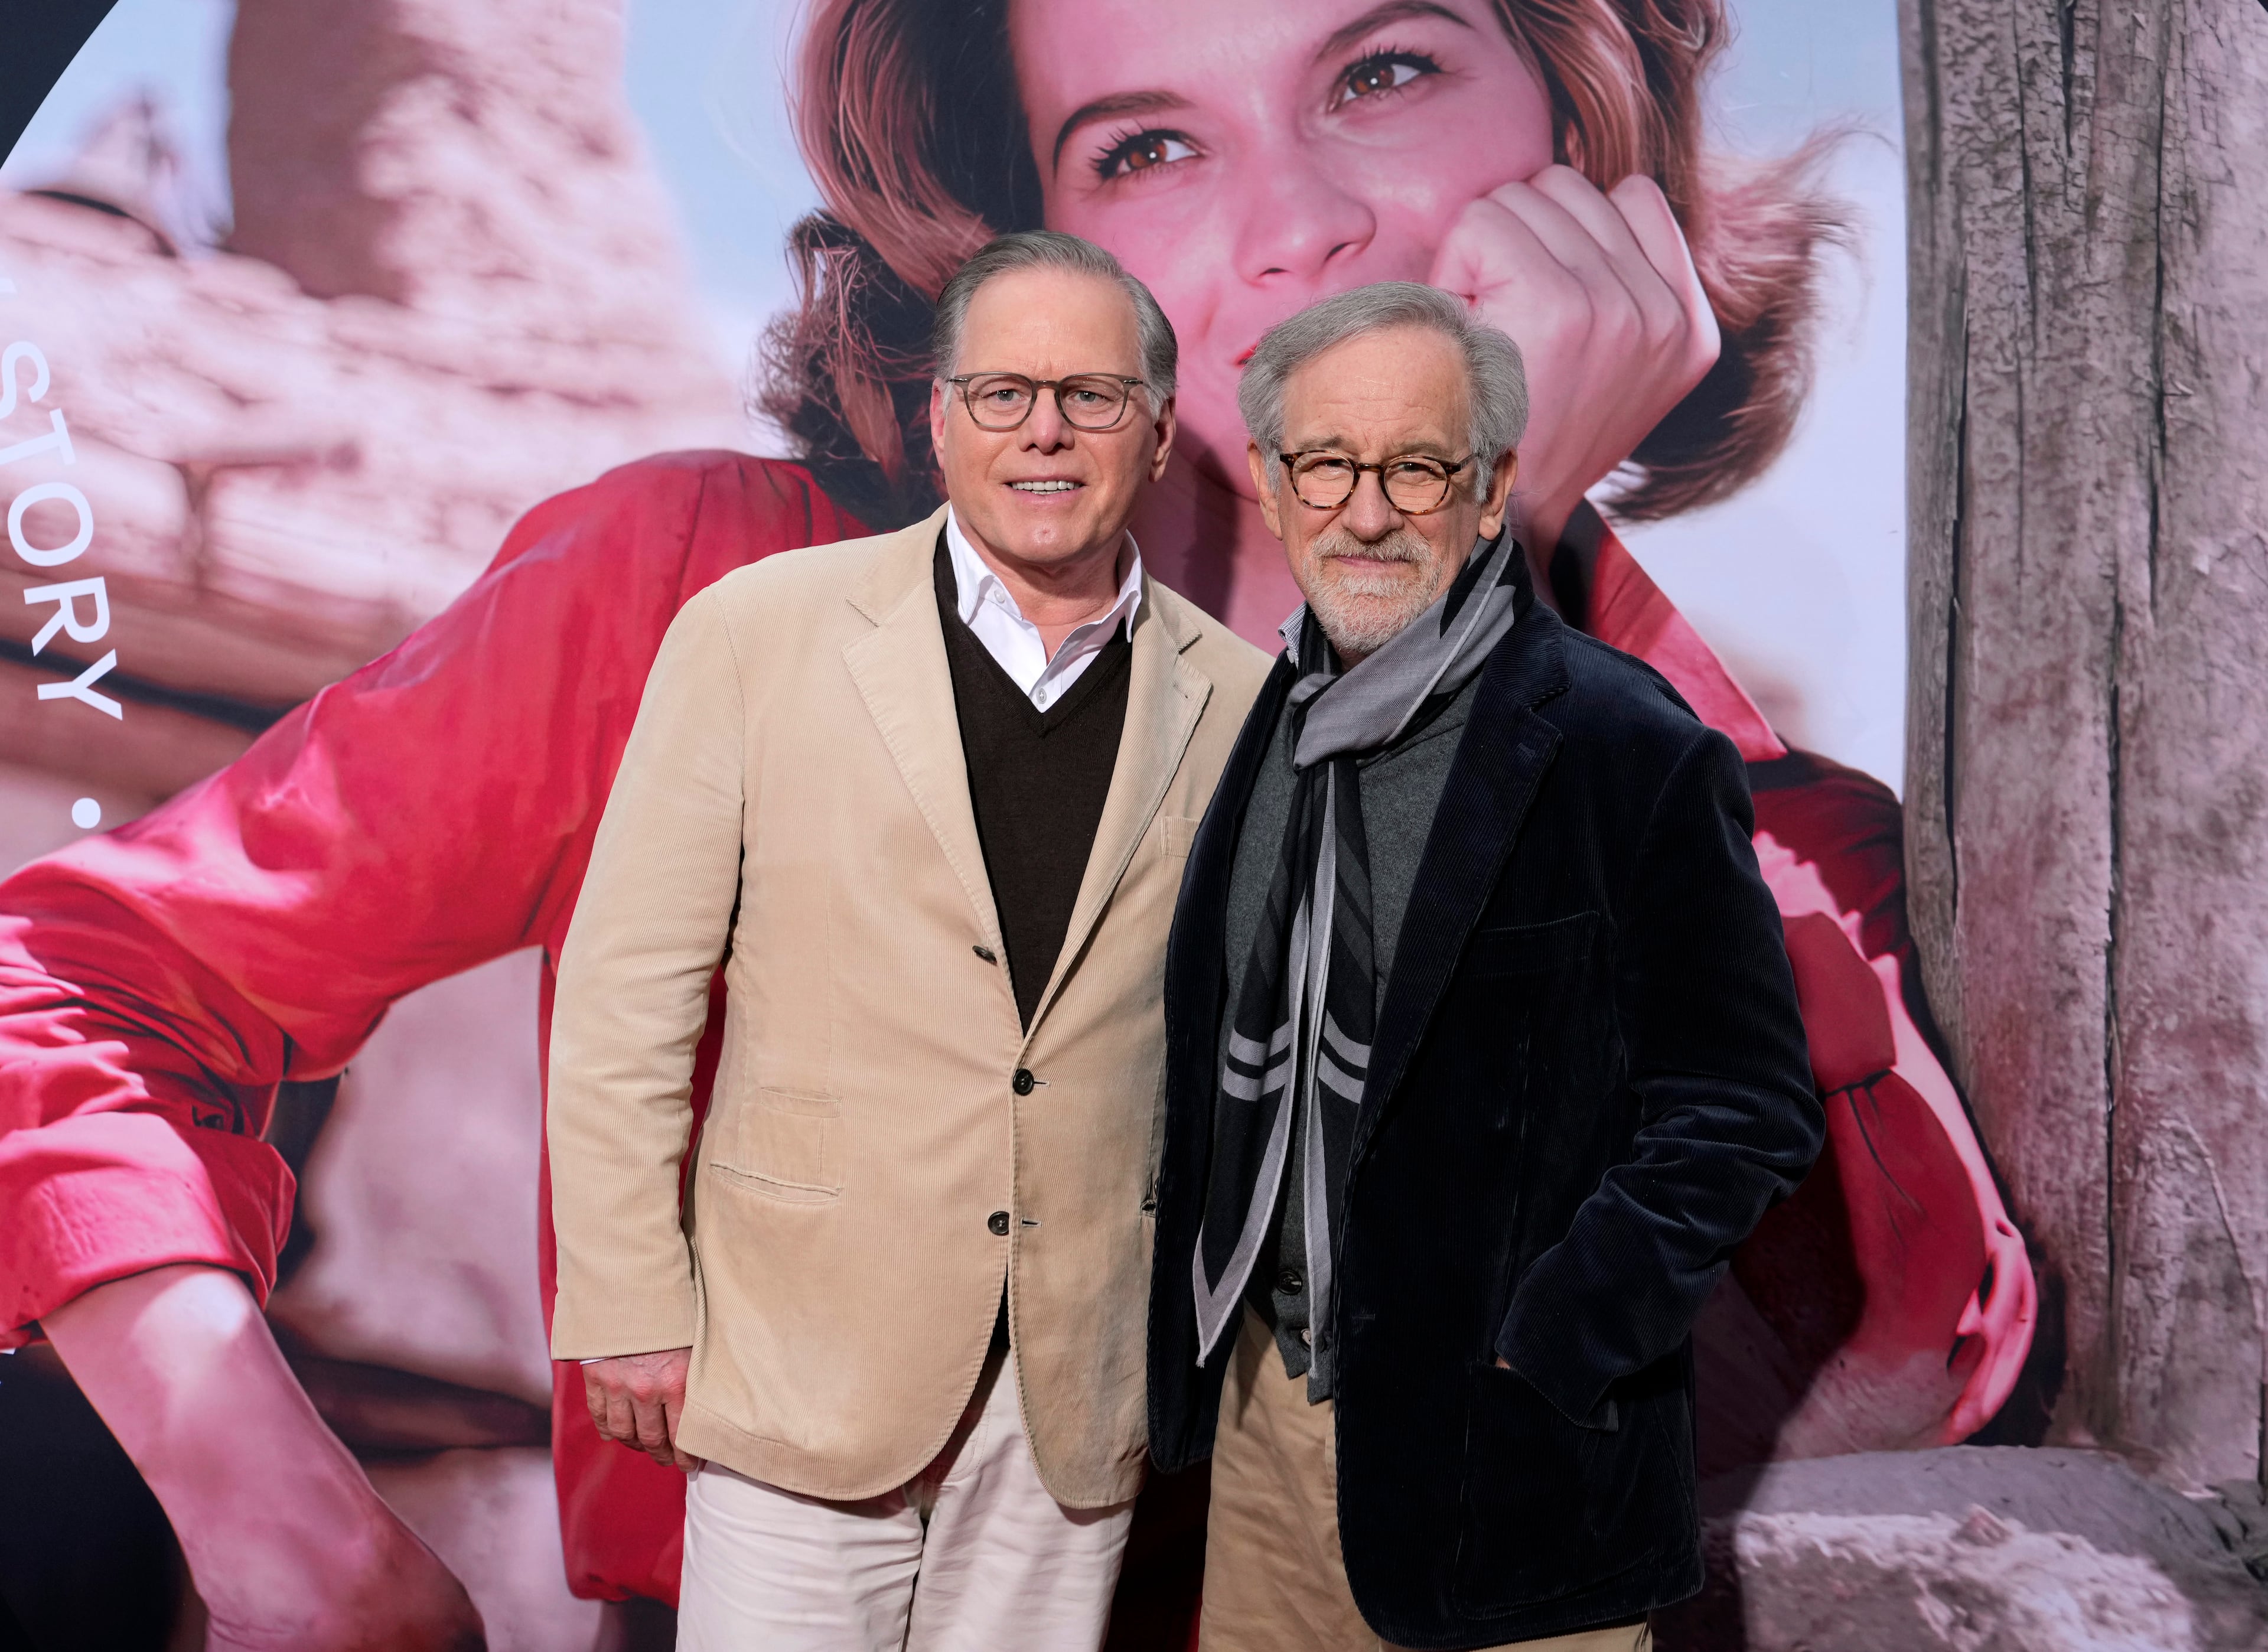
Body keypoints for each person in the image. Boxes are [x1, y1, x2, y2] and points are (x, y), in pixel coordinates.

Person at [0, 0, 2026, 1637]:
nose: (1292, 229)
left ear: (1586, 121)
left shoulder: (1792, 869)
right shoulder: (706, 608)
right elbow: (60, 979)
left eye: (1383, 69)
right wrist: (295, 1533)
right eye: (1146, 146)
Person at [546, 229, 1265, 1648]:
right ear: (939, 421)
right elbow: (628, 995)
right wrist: (629, 1296)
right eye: (1001, 393)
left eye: (1091, 396)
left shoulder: (1244, 702)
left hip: (1074, 1386)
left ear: (1162, 429)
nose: (1043, 430)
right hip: (801, 1354)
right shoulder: (756, 632)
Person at [1147, 283, 1818, 1651]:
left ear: (1493, 484)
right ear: (1274, 487)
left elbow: (1743, 1104)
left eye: (1417, 466)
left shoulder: (1626, 746)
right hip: (1269, 1440)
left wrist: (1552, 1342)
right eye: (1327, 464)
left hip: (1507, 1469)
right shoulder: (1262, 721)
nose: (1369, 510)